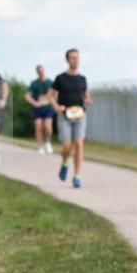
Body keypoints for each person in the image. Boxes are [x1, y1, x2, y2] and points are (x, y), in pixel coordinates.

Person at [50, 48, 91, 188]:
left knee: (79, 143)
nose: (76, 60)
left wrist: (88, 100)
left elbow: (86, 96)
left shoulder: (82, 79)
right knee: (67, 147)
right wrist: (56, 106)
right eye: (73, 58)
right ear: (67, 60)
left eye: (77, 58)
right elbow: (50, 95)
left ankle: (77, 175)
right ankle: (65, 163)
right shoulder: (60, 78)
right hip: (65, 115)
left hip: (80, 114)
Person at [26, 64, 55, 154]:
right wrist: (34, 103)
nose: (41, 72)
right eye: (39, 71)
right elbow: (27, 96)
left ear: (44, 70)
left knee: (48, 128)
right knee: (38, 127)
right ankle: (40, 146)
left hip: (48, 108)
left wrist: (53, 101)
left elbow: (55, 94)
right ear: (37, 72)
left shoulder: (50, 83)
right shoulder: (34, 83)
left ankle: (47, 142)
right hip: (38, 109)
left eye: (42, 70)